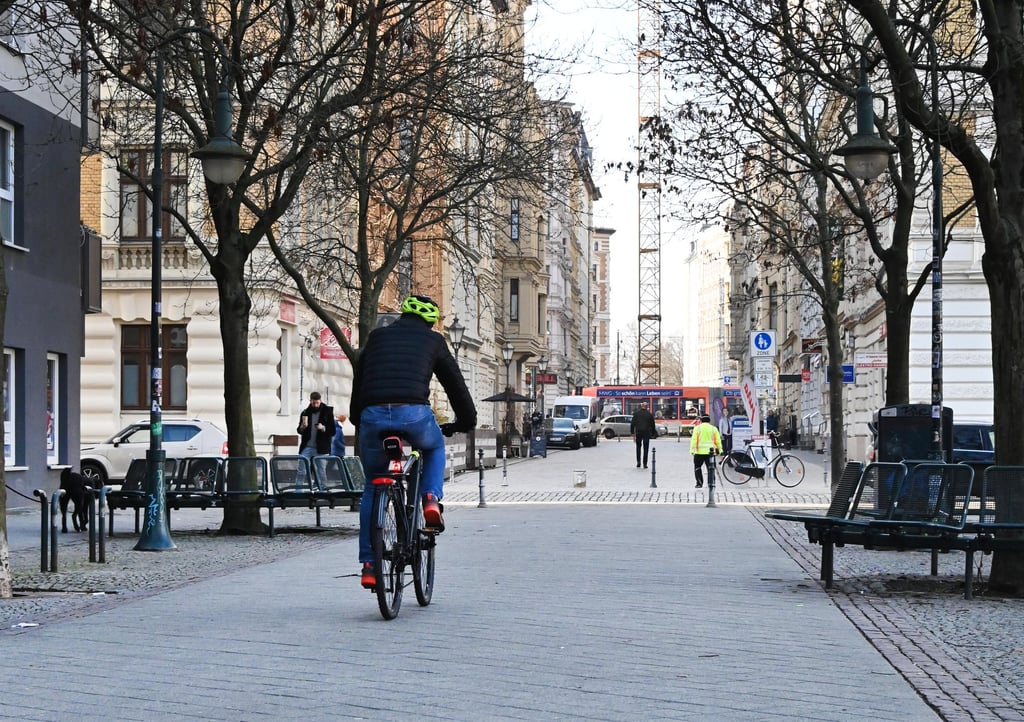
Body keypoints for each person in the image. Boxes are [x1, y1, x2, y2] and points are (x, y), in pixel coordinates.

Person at [350, 294, 477, 590]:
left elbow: (360, 380)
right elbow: (455, 386)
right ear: (430, 321)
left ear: (402, 315)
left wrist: (360, 418)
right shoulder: (433, 341)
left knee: (374, 484)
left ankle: (370, 565)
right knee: (432, 447)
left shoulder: (377, 337)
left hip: (373, 414)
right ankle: (430, 499)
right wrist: (465, 422)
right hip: (413, 415)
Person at [296, 391, 335, 464]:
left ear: (320, 401)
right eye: (313, 403)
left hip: (322, 448)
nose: (316, 405)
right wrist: (302, 427)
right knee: (301, 470)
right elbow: (299, 430)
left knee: (321, 472)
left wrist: (322, 428)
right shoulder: (305, 412)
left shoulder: (327, 412)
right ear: (310, 401)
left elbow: (333, 431)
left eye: (317, 403)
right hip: (307, 446)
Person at [690, 415, 722, 489]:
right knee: (711, 468)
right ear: (709, 421)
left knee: (697, 468)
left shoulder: (697, 428)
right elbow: (718, 440)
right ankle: (711, 482)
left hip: (699, 452)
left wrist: (692, 450)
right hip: (710, 453)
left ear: (701, 421)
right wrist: (720, 450)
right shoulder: (713, 429)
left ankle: (699, 483)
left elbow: (694, 440)